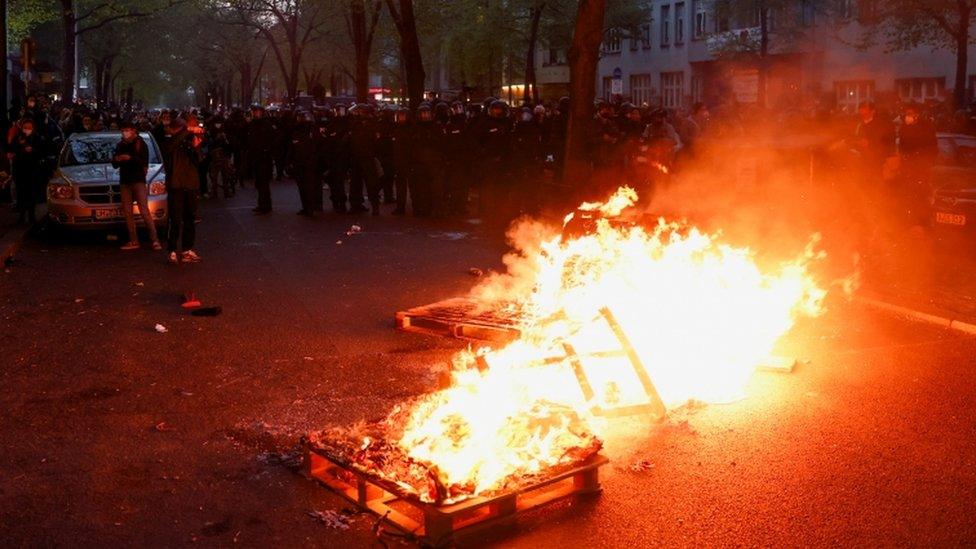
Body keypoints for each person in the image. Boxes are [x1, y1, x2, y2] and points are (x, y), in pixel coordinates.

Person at [112, 121, 161, 250]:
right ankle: (134, 240)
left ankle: (154, 240)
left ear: (133, 130)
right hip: (125, 181)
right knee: (128, 212)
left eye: (127, 130)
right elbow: (114, 162)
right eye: (123, 130)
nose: (125, 133)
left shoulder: (141, 144)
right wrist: (117, 159)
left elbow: (143, 162)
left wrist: (130, 158)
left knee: (144, 210)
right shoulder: (120, 144)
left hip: (138, 180)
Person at [164, 117, 205, 264]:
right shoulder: (170, 142)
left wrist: (196, 147)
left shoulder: (189, 144)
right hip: (176, 185)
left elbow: (199, 160)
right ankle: (172, 249)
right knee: (175, 219)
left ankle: (187, 248)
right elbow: (169, 148)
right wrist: (186, 131)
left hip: (191, 184)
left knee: (189, 218)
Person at [8, 119, 46, 224]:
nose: (27, 130)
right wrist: (18, 151)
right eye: (26, 127)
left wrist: (33, 150)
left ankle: (31, 215)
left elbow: (42, 152)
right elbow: (12, 150)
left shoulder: (37, 138)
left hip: (32, 171)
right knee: (21, 194)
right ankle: (21, 216)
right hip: (20, 170)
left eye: (29, 127)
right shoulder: (18, 138)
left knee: (31, 194)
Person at [247, 105, 276, 214]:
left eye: (257, 112)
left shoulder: (266, 125)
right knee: (259, 183)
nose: (256, 114)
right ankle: (262, 204)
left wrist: (267, 149)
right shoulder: (253, 124)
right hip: (256, 156)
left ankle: (266, 206)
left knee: (263, 183)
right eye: (255, 112)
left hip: (264, 157)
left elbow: (273, 139)